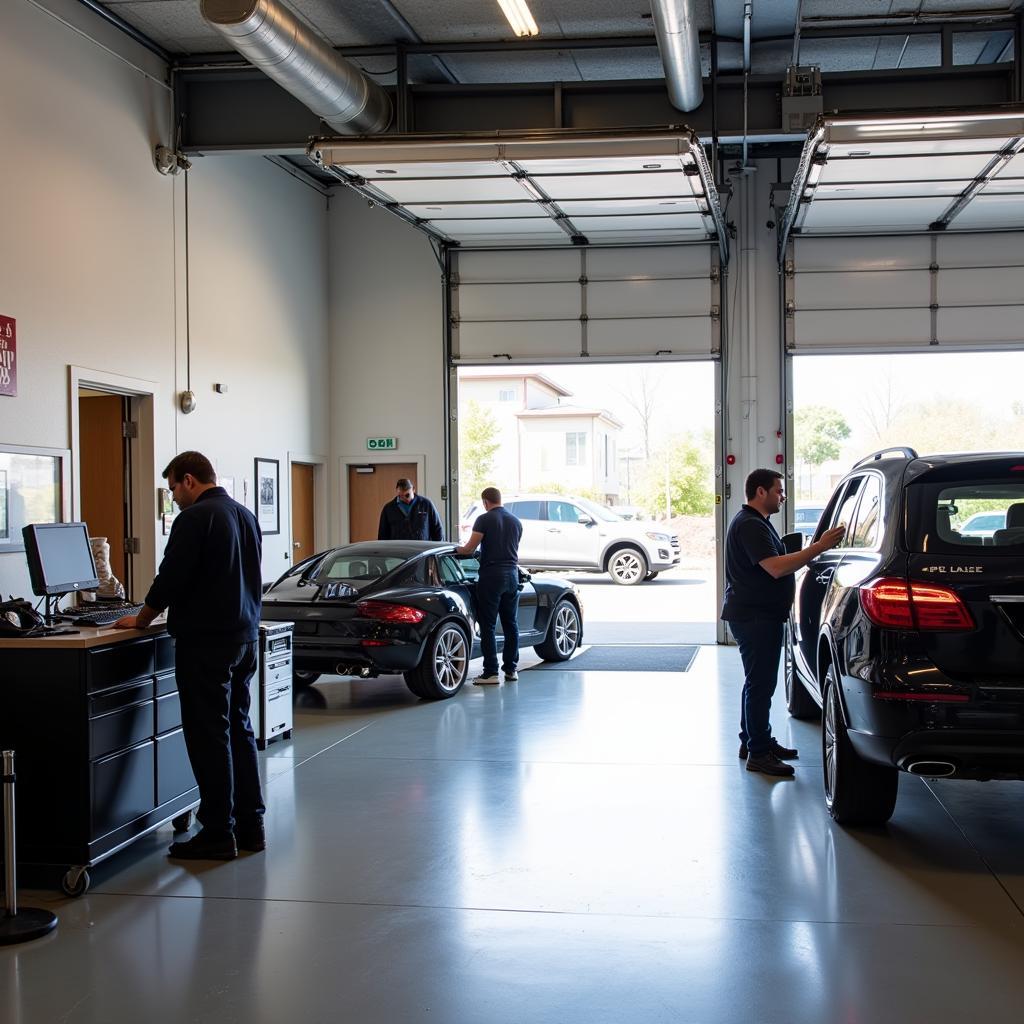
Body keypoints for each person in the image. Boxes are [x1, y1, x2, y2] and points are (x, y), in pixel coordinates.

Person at [114, 451, 265, 859]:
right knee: (238, 728)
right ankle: (251, 826)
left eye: (173, 490)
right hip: (244, 638)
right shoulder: (244, 515)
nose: (174, 499)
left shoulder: (195, 518)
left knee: (208, 736)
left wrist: (141, 619)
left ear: (189, 481)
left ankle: (217, 833)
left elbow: (171, 578)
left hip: (207, 644)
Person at [722, 468, 846, 777]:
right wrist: (819, 547)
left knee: (756, 683)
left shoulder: (756, 523)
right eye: (779, 491)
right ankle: (759, 754)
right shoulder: (750, 525)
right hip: (755, 617)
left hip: (757, 615)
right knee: (761, 685)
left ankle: (752, 741)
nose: (782, 496)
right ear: (760, 492)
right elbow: (776, 568)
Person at [456, 486, 523, 685]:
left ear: (485, 502)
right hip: (512, 575)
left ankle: (491, 672)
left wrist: (457, 548)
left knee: (488, 625)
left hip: (491, 576)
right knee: (511, 624)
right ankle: (511, 669)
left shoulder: (484, 519)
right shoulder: (516, 521)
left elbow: (469, 549)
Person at [378, 478, 444, 541]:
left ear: (413, 489)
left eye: (407, 495)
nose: (404, 498)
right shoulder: (388, 508)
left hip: (422, 549)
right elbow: (382, 534)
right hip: (398, 550)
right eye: (400, 496)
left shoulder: (426, 504)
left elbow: (438, 529)